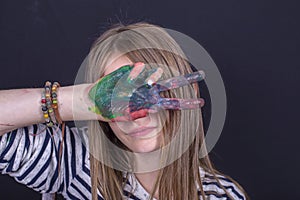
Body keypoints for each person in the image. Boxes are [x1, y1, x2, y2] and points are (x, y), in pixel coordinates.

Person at [0, 22, 248, 200]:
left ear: (189, 93)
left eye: (152, 91)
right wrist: (79, 101)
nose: (136, 113)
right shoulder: (75, 161)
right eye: (119, 95)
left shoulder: (220, 196)